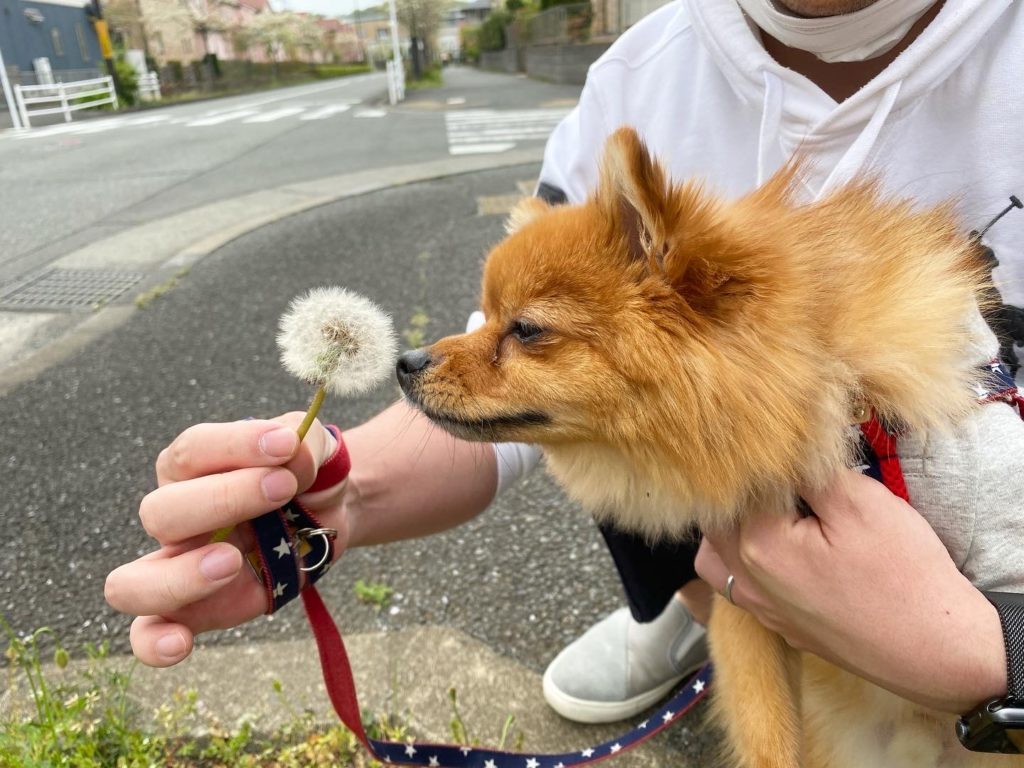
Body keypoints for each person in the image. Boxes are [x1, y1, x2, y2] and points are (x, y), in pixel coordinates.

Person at [105, 0, 1022, 742]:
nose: (443, 361)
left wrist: (998, 655)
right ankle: (686, 597)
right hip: (734, 525)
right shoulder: (641, 71)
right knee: (615, 438)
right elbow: (501, 410)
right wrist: (338, 500)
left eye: (527, 330)